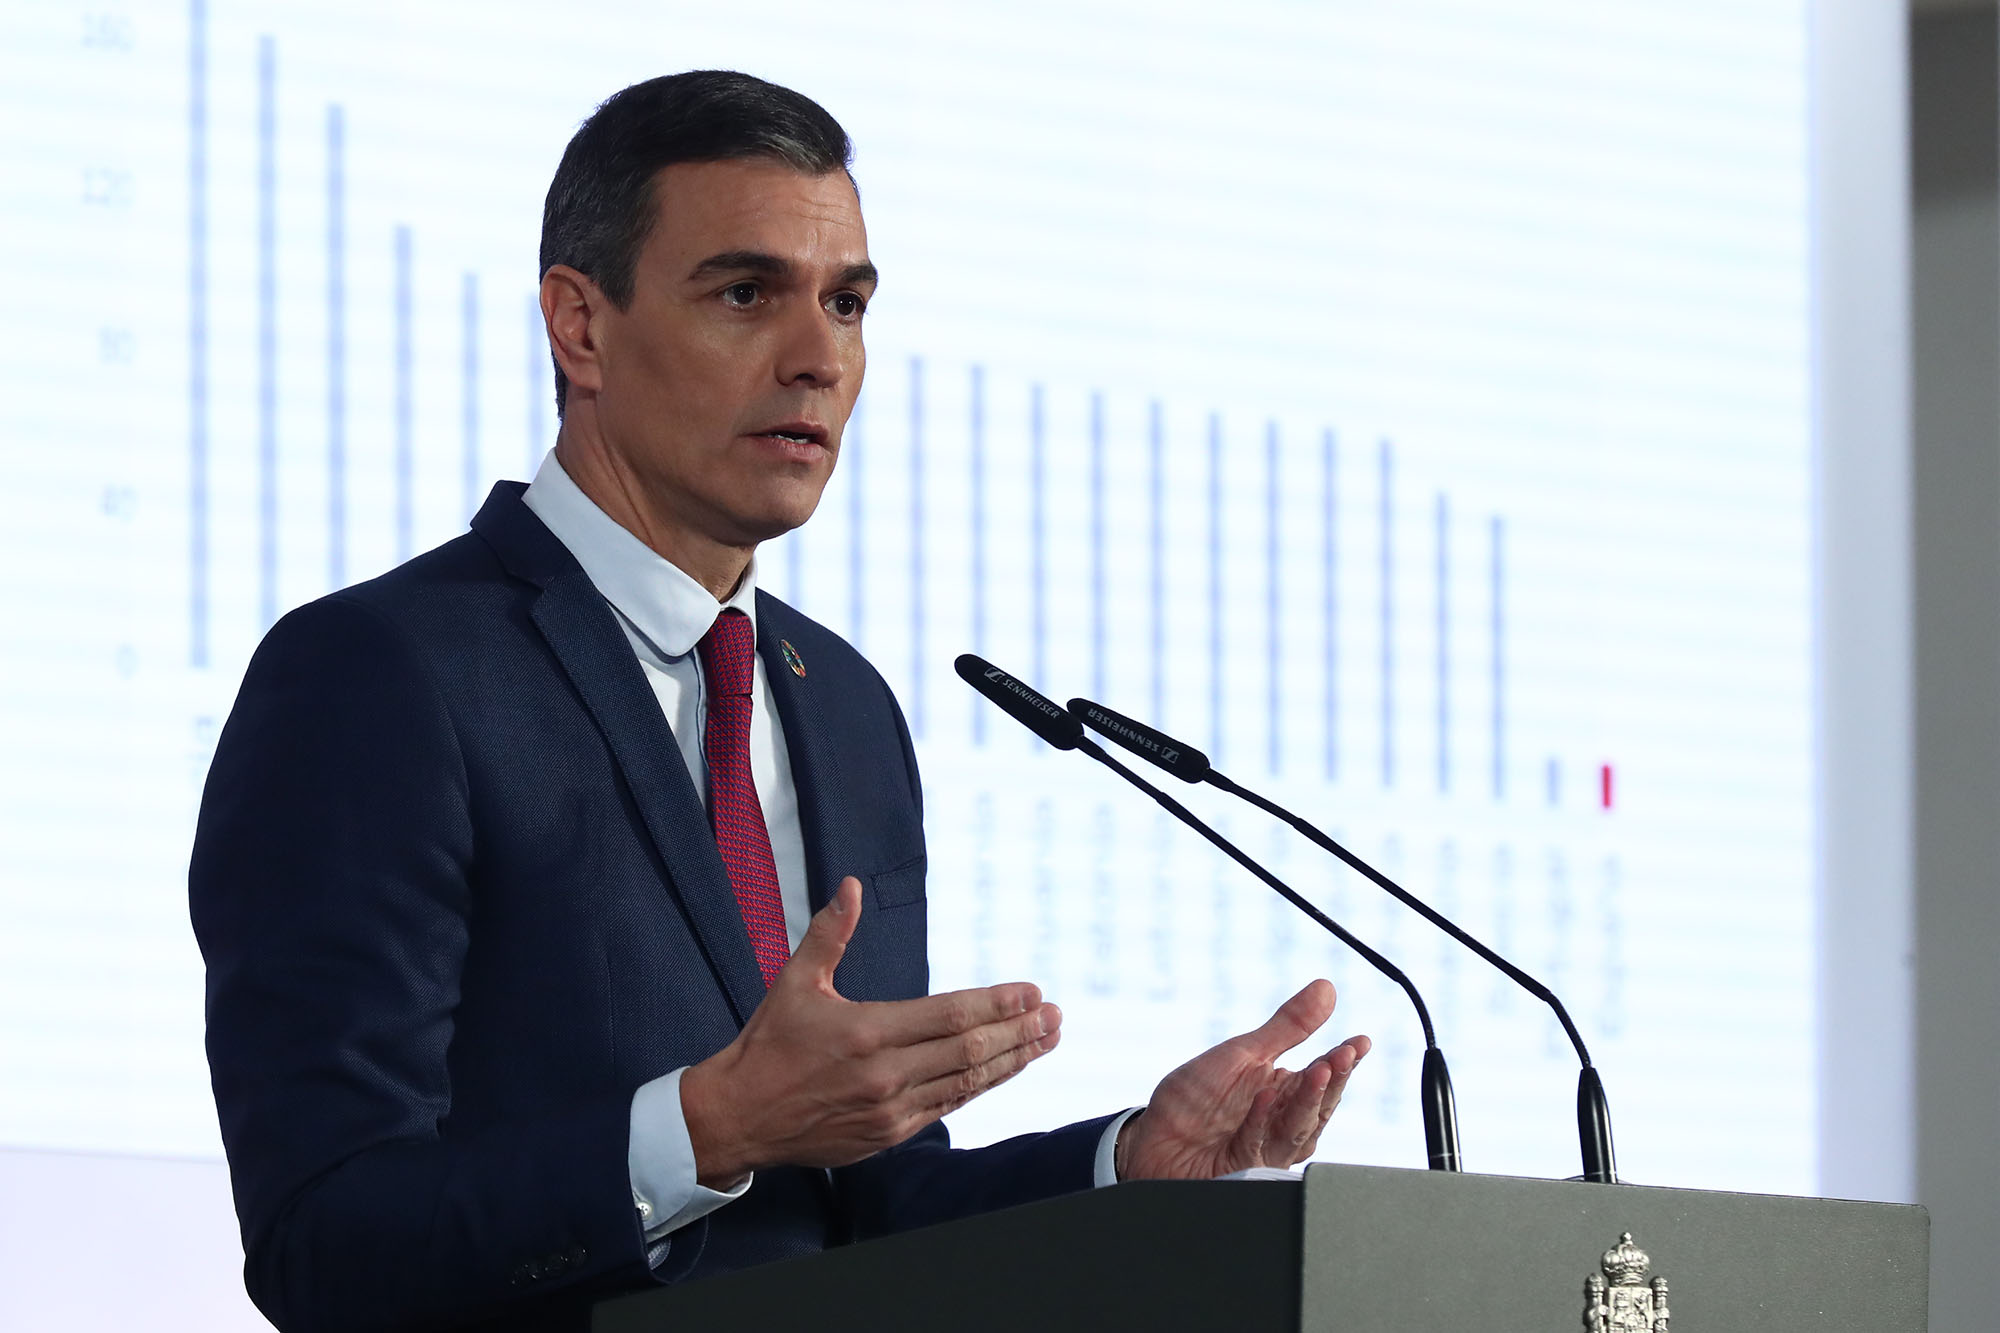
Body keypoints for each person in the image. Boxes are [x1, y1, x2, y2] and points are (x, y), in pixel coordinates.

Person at [189, 70, 1371, 1333]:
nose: (816, 358)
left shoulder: (844, 708)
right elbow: (325, 1241)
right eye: (745, 293)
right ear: (579, 327)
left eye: (847, 303)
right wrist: (707, 1126)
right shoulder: (381, 676)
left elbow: (865, 1214)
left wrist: (1126, 1167)